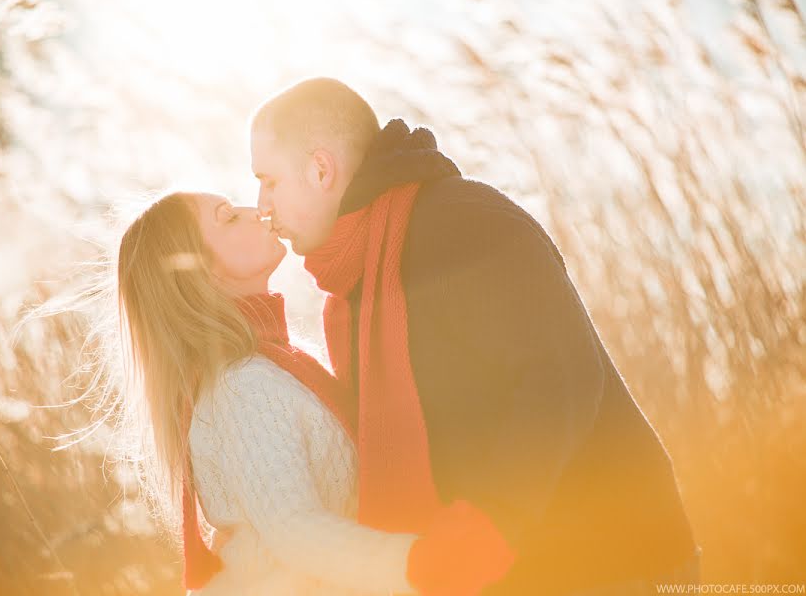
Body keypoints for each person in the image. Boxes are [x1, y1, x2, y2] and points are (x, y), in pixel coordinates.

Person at [251, 78, 701, 595]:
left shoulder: (460, 221)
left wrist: (485, 530)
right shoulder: (352, 288)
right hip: (514, 574)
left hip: (612, 560)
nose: (261, 205)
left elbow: (561, 377)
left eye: (269, 180)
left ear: (320, 168)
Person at [107, 191, 511, 596]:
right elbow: (294, 530)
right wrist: (423, 562)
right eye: (228, 217)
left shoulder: (278, 364)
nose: (258, 210)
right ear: (202, 273)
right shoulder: (243, 387)